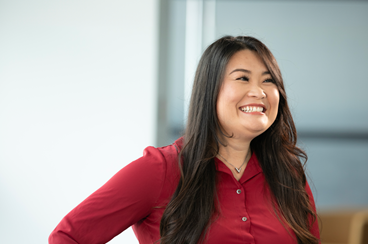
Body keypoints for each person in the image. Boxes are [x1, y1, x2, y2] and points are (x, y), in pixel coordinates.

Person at [49, 36, 320, 244]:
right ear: (209, 90)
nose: (259, 92)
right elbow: (67, 237)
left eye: (269, 81)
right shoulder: (160, 170)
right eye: (242, 78)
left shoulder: (288, 173)